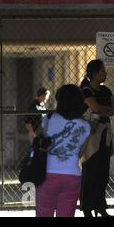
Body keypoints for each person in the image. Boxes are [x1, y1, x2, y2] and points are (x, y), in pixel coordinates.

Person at [35, 84, 90, 217]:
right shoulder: (85, 125)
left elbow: (38, 138)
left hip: (48, 174)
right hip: (72, 176)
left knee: (44, 213)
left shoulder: (48, 118)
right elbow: (81, 153)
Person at [79, 59, 114, 217]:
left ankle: (100, 206)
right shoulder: (86, 90)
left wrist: (102, 110)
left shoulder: (105, 90)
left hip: (104, 134)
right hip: (91, 135)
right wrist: (104, 109)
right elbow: (94, 107)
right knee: (90, 171)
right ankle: (87, 207)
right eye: (102, 71)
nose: (105, 73)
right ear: (95, 73)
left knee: (103, 172)